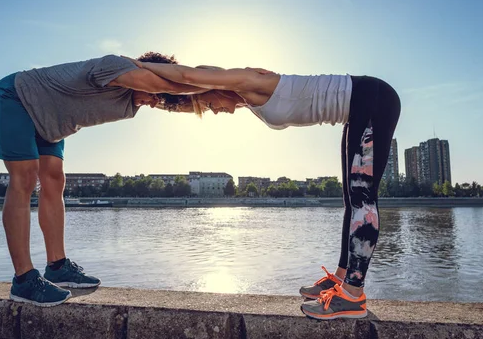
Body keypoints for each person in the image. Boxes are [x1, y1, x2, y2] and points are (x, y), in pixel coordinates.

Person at [125, 57, 401, 320]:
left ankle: (353, 295)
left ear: (212, 86)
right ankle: (340, 280)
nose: (216, 111)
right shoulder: (247, 100)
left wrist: (134, 66)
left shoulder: (249, 80)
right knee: (351, 201)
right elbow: (183, 97)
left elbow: (185, 75)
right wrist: (152, 100)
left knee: (362, 197)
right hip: (358, 106)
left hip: (373, 98)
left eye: (209, 104)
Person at [0, 53, 206, 306]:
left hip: (51, 121)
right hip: (18, 97)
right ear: (149, 74)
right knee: (25, 177)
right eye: (153, 94)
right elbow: (168, 84)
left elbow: (182, 102)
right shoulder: (115, 66)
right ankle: (23, 279)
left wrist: (243, 96)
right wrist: (228, 80)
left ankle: (57, 266)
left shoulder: (135, 95)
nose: (152, 102)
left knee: (55, 180)